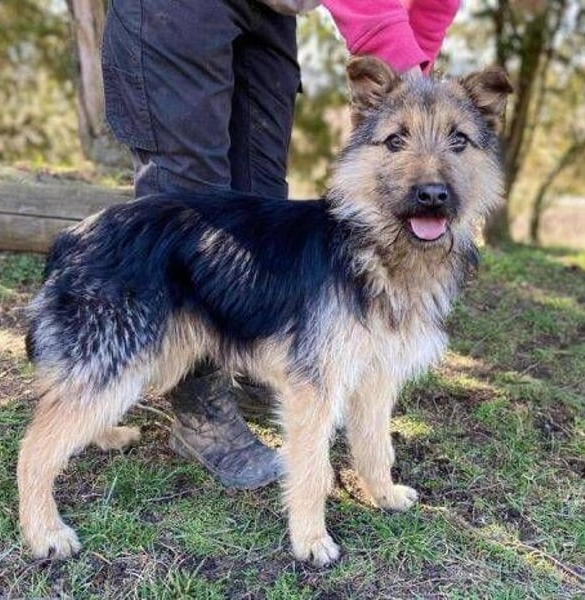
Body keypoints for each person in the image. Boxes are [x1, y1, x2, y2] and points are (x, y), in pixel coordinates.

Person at [100, 0, 459, 489]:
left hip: (268, 11)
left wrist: (420, 83)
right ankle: (199, 409)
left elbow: (434, 3)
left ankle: (253, 362)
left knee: (259, 197)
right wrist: (406, 90)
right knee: (191, 200)